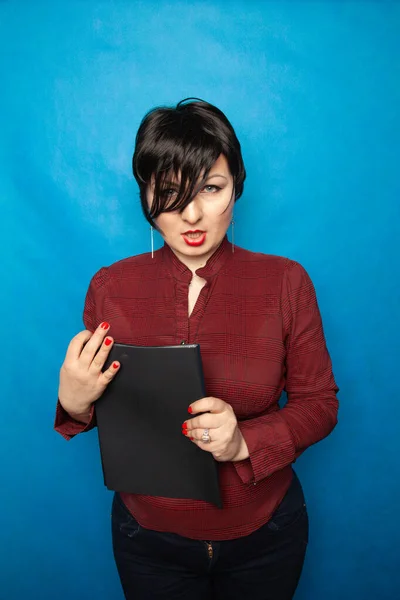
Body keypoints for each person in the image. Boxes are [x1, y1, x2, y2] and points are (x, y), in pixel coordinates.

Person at [55, 98, 339, 600]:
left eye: (211, 188)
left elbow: (320, 405)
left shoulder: (286, 282)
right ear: (145, 192)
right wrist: (76, 401)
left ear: (237, 188)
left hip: (266, 534)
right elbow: (109, 413)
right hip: (147, 538)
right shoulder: (110, 286)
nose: (191, 213)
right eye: (169, 191)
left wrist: (243, 443)